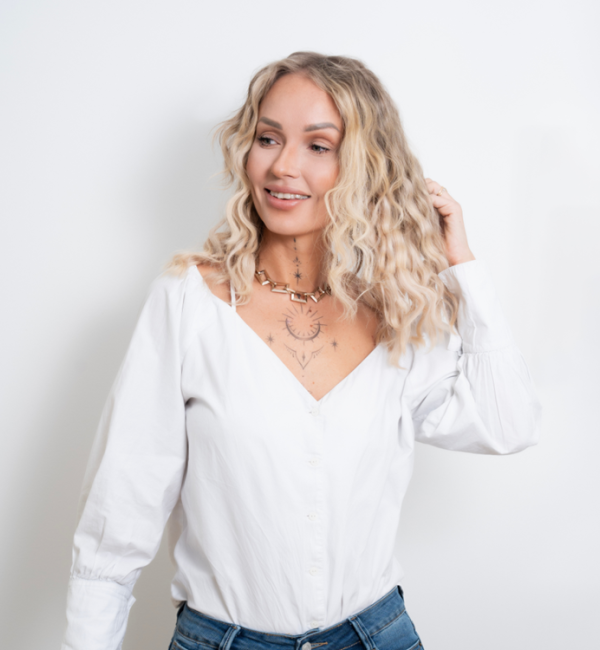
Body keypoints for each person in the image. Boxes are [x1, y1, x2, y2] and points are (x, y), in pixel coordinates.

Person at [61, 52, 542, 650]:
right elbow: (119, 513)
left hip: (376, 635)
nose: (283, 166)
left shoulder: (397, 311)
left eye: (319, 146)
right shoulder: (188, 303)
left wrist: (460, 268)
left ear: (364, 165)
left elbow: (508, 424)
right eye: (268, 138)